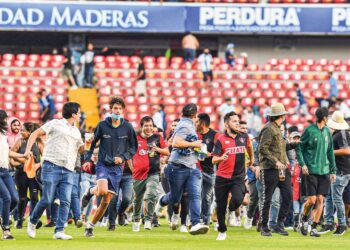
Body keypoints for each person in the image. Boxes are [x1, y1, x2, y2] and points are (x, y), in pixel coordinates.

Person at [26, 102, 84, 240]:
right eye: (79, 112)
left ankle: (59, 230)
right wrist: (28, 150)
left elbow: (80, 151)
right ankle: (32, 221)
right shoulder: (55, 123)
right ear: (74, 114)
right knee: (47, 199)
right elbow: (35, 133)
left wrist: (86, 145)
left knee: (65, 201)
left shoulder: (76, 131)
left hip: (69, 169)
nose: (80, 115)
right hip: (51, 165)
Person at [82, 97, 138, 237]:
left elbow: (133, 147)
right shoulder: (102, 125)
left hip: (117, 168)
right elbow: (91, 143)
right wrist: (87, 159)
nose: (117, 111)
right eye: (115, 108)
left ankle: (90, 226)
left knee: (106, 200)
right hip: (102, 164)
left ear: (122, 110)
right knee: (102, 191)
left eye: (120, 108)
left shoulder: (128, 127)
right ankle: (91, 191)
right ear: (110, 110)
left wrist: (123, 157)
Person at [157, 103, 209, 235]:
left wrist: (198, 151)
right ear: (195, 114)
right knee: (175, 198)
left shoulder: (189, 125)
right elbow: (176, 143)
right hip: (178, 167)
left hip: (192, 166)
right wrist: (195, 144)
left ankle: (196, 223)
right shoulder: (185, 125)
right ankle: (163, 200)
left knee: (195, 195)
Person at [212, 112, 253, 240]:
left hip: (238, 177)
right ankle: (222, 231)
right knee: (220, 205)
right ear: (226, 124)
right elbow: (213, 160)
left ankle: (231, 211)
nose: (237, 123)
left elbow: (249, 147)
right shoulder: (220, 139)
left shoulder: (244, 137)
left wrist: (251, 160)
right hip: (222, 177)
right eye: (234, 121)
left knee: (238, 199)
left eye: (238, 121)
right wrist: (221, 158)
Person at [296, 107, 336, 237]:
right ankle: (303, 218)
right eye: (328, 116)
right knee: (312, 200)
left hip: (324, 170)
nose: (328, 118)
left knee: (320, 199)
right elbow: (299, 148)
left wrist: (333, 170)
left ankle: (313, 227)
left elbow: (330, 152)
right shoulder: (309, 130)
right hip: (311, 170)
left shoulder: (327, 132)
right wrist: (302, 164)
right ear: (324, 118)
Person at [258, 103, 292, 237]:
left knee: (288, 196)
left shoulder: (277, 128)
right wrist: (276, 161)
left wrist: (293, 145)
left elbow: (280, 148)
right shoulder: (268, 129)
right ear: (282, 116)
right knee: (268, 198)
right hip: (270, 169)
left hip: (282, 168)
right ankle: (264, 227)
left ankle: (279, 224)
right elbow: (262, 148)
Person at [132, 116, 169, 232]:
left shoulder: (158, 138)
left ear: (153, 127)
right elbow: (127, 153)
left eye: (151, 126)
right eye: (146, 126)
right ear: (141, 127)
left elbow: (168, 151)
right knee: (137, 199)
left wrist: (157, 149)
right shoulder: (134, 138)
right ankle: (136, 219)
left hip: (153, 172)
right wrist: (131, 167)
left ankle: (148, 220)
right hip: (138, 174)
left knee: (151, 193)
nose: (149, 128)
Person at [0, 110, 28, 240]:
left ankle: (2, 216)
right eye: (5, 119)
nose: (7, 121)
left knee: (15, 199)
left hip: (5, 170)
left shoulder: (3, 134)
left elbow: (8, 153)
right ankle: (6, 229)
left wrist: (23, 155)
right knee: (6, 198)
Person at [323, 111, 350, 236]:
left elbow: (346, 151)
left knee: (336, 198)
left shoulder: (342, 133)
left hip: (342, 171)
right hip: (334, 171)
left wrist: (330, 152)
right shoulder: (339, 133)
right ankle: (328, 223)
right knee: (329, 197)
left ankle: (342, 225)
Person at [10, 122, 41, 229]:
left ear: (30, 132)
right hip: (21, 174)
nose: (21, 132)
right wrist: (23, 161)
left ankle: (33, 219)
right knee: (22, 198)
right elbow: (11, 154)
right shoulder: (20, 141)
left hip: (33, 174)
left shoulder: (38, 142)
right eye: (21, 130)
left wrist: (37, 165)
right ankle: (19, 219)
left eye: (24, 130)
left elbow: (46, 157)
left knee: (34, 197)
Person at [196, 113, 219, 226]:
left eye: (197, 122)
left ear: (203, 123)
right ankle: (197, 218)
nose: (195, 124)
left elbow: (219, 151)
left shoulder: (215, 135)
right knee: (197, 194)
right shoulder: (194, 135)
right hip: (196, 169)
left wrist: (208, 154)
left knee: (206, 197)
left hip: (210, 170)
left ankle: (205, 219)